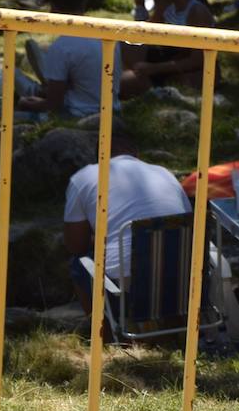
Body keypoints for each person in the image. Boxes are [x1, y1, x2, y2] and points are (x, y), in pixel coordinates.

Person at [64, 123, 193, 318]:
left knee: (78, 264)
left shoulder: (84, 178)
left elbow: (75, 246)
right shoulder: (164, 173)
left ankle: (104, 332)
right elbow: (186, 224)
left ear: (99, 156)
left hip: (128, 283)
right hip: (183, 274)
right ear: (136, 154)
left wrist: (100, 238)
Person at [0, 0, 123, 121]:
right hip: (112, 110)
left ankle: (32, 90)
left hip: (76, 115)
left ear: (53, 8)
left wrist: (28, 104)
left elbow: (53, 105)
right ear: (84, 2)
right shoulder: (108, 36)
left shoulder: (62, 47)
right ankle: (37, 86)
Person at [119, 0, 216, 98]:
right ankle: (148, 84)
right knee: (124, 45)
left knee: (182, 82)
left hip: (189, 67)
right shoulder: (165, 5)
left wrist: (154, 69)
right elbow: (144, 35)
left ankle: (151, 86)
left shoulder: (196, 12)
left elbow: (197, 60)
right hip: (166, 60)